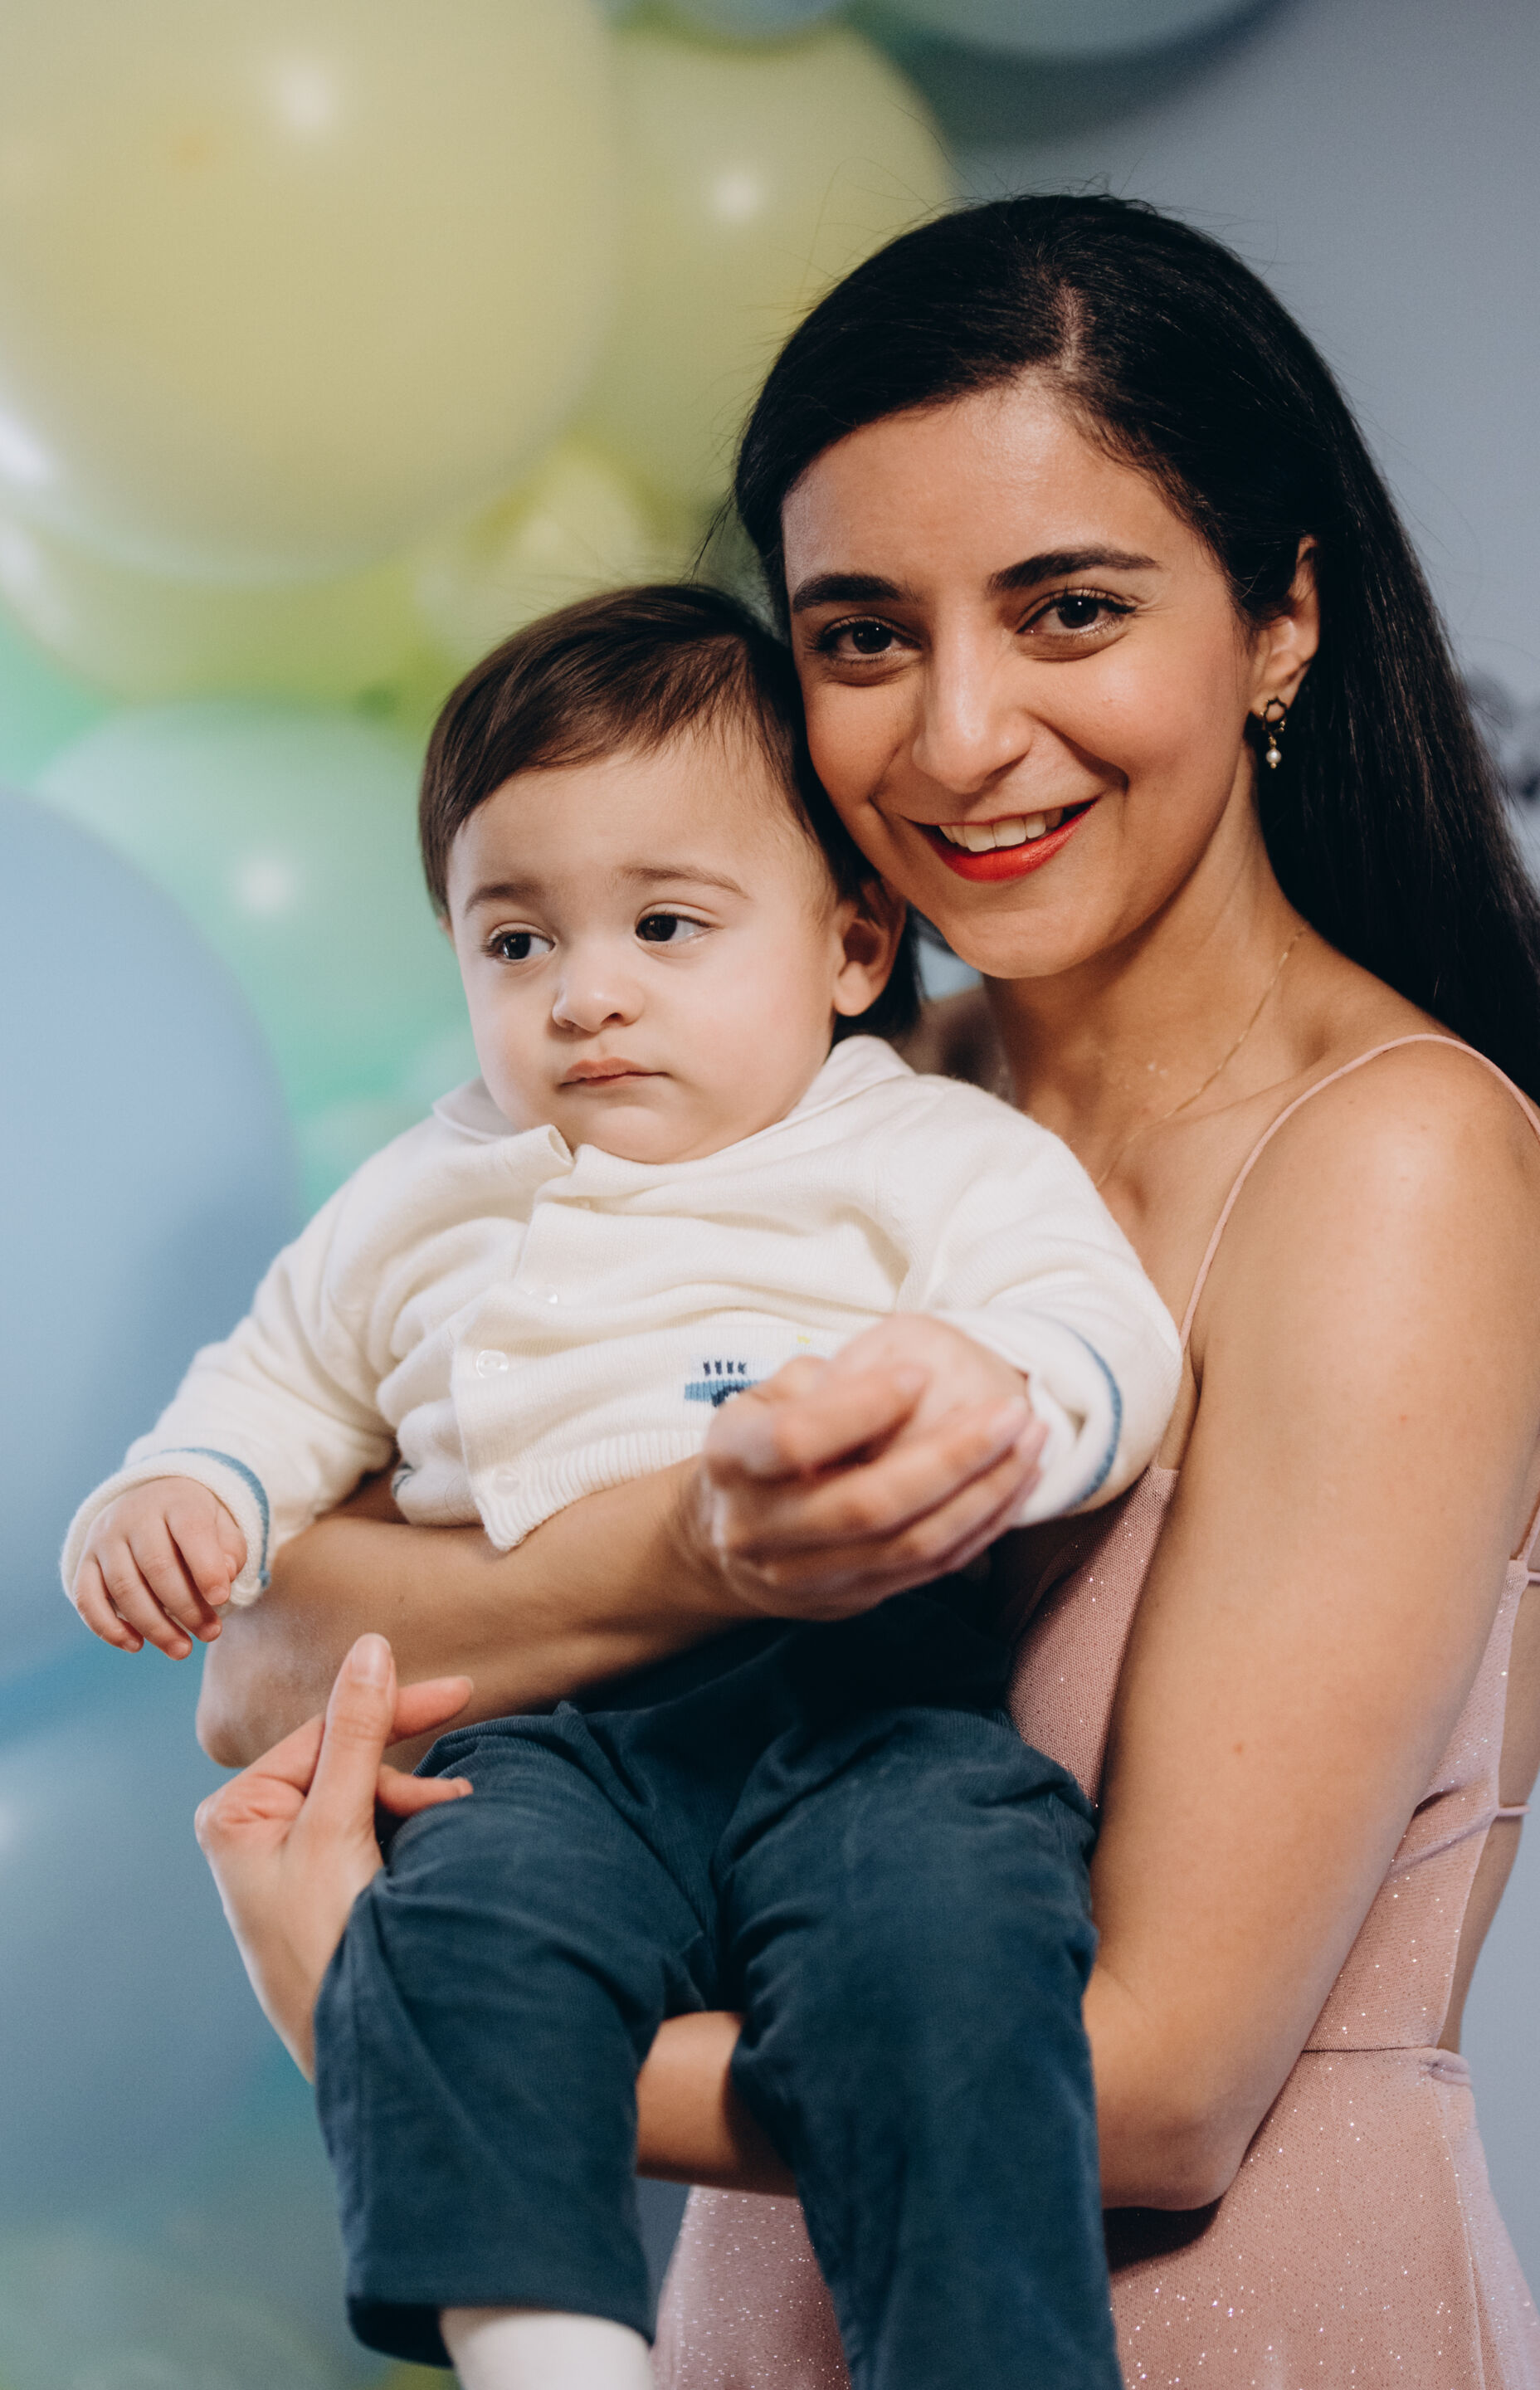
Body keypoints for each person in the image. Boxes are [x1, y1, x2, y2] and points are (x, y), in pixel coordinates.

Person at [195, 194, 1540, 2390]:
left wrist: (404, 2022)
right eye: (862, 634)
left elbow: (1159, 2085)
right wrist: (701, 1551)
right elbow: (268, 1652)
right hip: (760, 2329)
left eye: (1069, 610)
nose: (957, 736)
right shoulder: (821, 1120)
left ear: (1280, 623)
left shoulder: (1387, 1167)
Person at [73, 584, 1181, 2388]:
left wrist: (994, 1410)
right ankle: (549, 2354)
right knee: (455, 1941)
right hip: (540, 1738)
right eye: (516, 942)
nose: (587, 994)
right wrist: (187, 1489)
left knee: (952, 1941)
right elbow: (274, 1381)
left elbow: (1100, 1331)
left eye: (667, 925)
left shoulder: (913, 1142)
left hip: (857, 1707)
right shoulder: (426, 1187)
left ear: (849, 944)